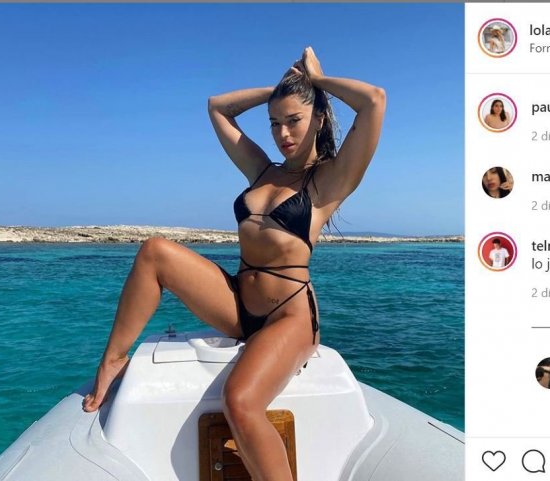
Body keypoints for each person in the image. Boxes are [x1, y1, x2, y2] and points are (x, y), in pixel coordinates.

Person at [82, 46, 386, 481]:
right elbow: (218, 108)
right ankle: (113, 360)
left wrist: (316, 81)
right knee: (154, 252)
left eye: (294, 120)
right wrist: (277, 90)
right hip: (239, 304)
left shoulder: (330, 179)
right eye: (274, 123)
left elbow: (373, 100)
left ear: (319, 118)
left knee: (241, 402)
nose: (283, 133)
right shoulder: (262, 170)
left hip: (289, 317)